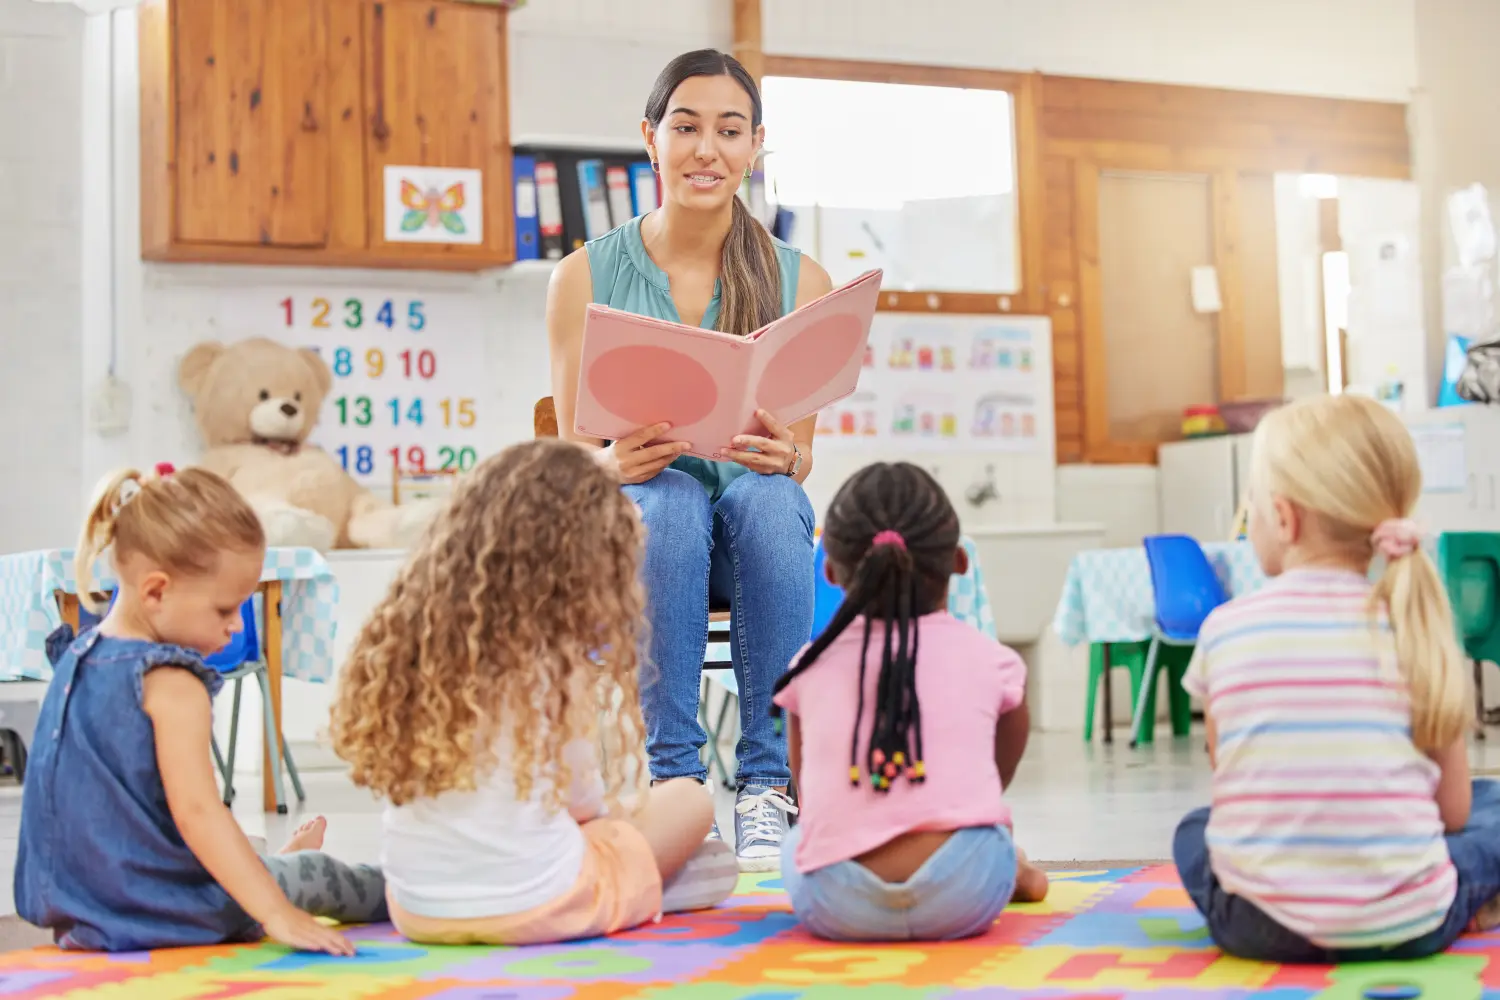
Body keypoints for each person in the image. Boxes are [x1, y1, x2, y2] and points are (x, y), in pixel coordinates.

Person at [546, 48, 834, 870]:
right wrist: (609, 464)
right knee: (667, 499)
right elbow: (571, 462)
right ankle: (676, 785)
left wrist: (786, 457)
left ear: (754, 147)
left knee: (768, 500)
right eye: (687, 126)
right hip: (638, 537)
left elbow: (799, 457)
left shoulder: (798, 278)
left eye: (729, 130)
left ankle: (768, 785)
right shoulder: (583, 277)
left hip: (755, 541)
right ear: (651, 137)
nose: (707, 149)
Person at [330, 440, 739, 946]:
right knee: (690, 801)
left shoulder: (415, 640)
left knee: (611, 826)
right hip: (540, 903)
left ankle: (645, 882)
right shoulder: (551, 656)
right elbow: (581, 802)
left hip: (417, 907)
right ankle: (650, 887)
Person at [1174, 393, 1500, 962]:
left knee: (1195, 829)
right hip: (1410, 922)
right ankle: (1473, 901)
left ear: (1284, 518)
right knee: (1489, 805)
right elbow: (1451, 814)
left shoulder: (1224, 628)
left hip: (1255, 925)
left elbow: (1230, 779)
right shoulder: (1419, 626)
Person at [15, 466, 385, 954]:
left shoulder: (72, 660)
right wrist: (276, 913)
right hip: (167, 910)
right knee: (324, 877)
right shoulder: (171, 683)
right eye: (225, 609)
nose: (236, 627)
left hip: (80, 907)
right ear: (155, 591)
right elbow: (197, 813)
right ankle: (413, 890)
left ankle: (272, 864)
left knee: (244, 845)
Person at [769, 462, 1048, 941]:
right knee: (991, 834)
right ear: (960, 562)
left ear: (831, 571)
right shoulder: (992, 660)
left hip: (836, 902)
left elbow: (811, 800)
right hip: (967, 890)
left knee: (797, 841)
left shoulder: (808, 666)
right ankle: (1015, 869)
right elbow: (991, 783)